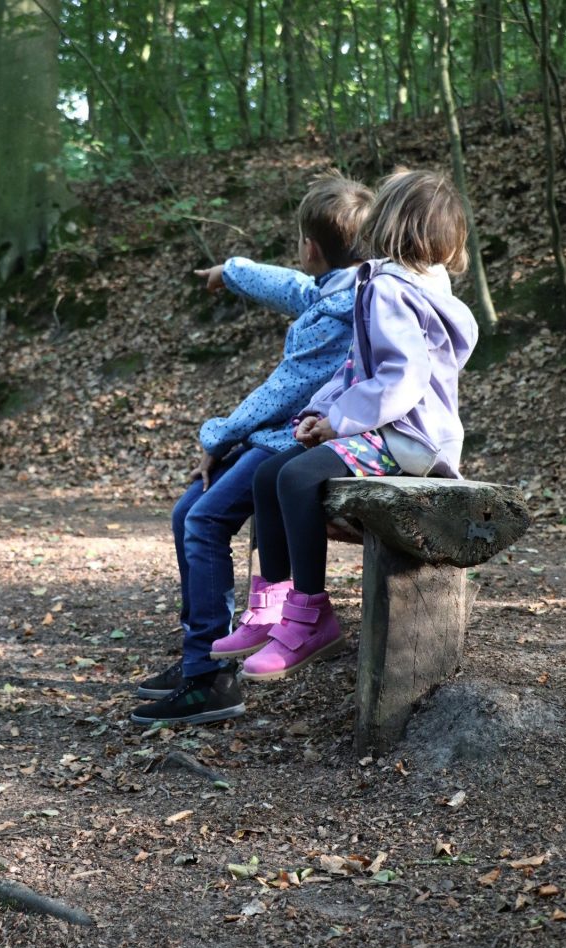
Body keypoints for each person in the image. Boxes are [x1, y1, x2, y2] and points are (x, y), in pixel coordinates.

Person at [214, 168, 479, 683]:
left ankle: (311, 615)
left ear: (388, 222)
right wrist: (322, 412)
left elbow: (401, 380)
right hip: (387, 429)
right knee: (269, 474)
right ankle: (271, 605)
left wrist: (339, 422)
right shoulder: (397, 283)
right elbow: (357, 368)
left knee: (293, 478)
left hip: (408, 439)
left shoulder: (392, 291)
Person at [131, 170, 376, 727]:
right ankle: (204, 657)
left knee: (204, 521)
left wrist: (218, 434)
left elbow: (285, 388)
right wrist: (234, 272)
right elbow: (296, 288)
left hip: (295, 438)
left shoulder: (340, 311)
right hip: (281, 433)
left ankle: (209, 681)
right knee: (184, 513)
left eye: (300, 242)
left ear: (311, 246)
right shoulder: (341, 288)